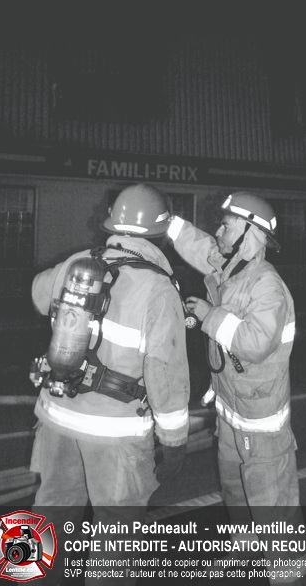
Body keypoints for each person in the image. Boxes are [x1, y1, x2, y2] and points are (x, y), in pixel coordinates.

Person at [29, 184, 190, 583]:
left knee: (51, 513)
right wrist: (174, 442)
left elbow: (38, 295)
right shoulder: (158, 289)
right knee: (115, 534)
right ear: (160, 234)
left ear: (113, 224)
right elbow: (165, 374)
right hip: (115, 435)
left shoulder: (79, 264)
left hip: (57, 413)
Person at [168, 192, 306, 583]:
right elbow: (202, 248)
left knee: (271, 500)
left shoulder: (267, 286)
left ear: (252, 232)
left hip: (260, 420)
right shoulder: (231, 266)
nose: (219, 231)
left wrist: (209, 316)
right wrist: (168, 222)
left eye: (227, 225)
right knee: (234, 486)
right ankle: (247, 542)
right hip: (230, 411)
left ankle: (291, 571)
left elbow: (254, 343)